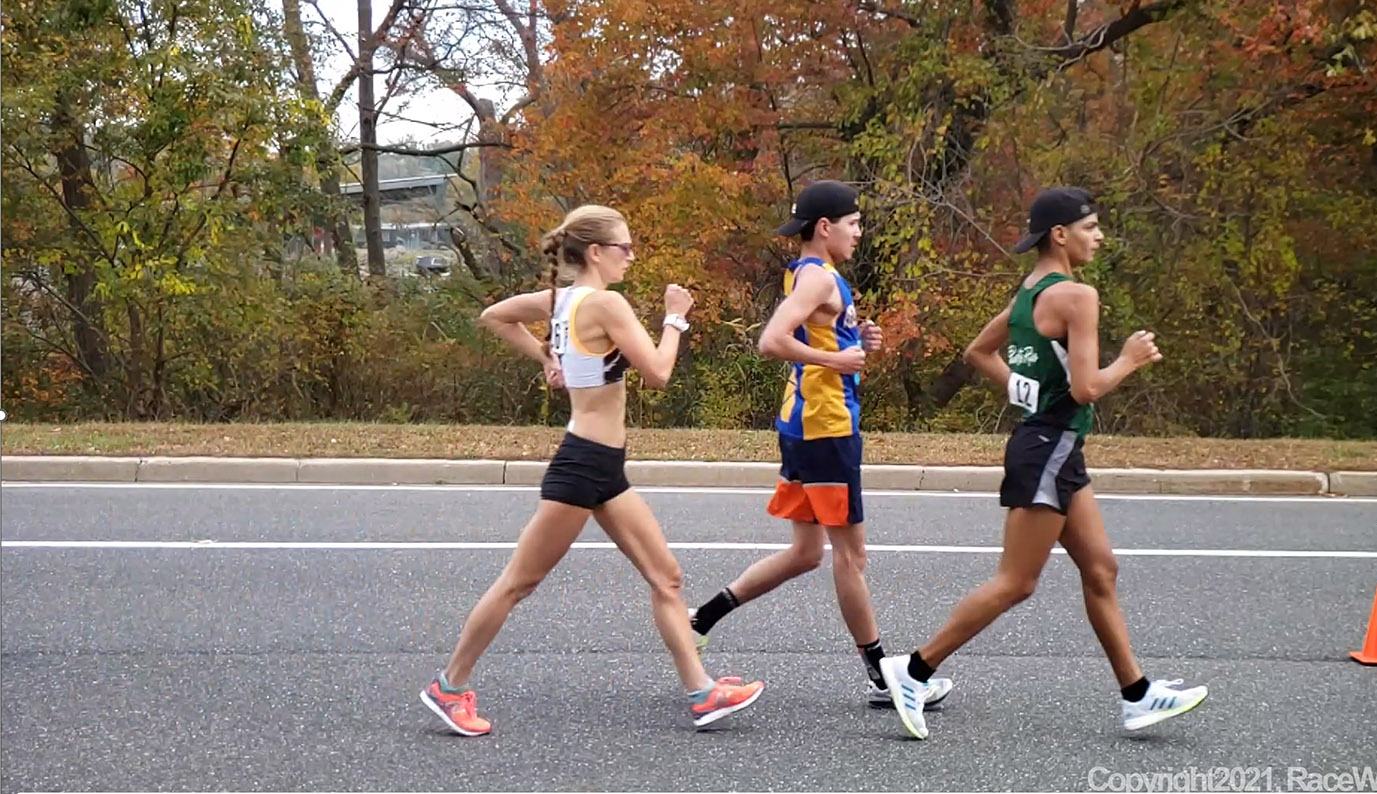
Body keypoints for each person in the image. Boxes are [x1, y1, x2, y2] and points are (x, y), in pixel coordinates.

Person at [420, 204, 766, 735]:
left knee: (666, 577)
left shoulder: (559, 301)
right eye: (625, 247)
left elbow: (496, 315)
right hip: (582, 465)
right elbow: (658, 373)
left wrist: (547, 357)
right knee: (518, 582)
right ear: (598, 252)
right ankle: (450, 685)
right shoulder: (606, 304)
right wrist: (676, 316)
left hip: (605, 467)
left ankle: (702, 693)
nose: (632, 256)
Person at [878, 186, 1208, 740]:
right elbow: (1085, 388)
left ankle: (1137, 694)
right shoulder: (1078, 297)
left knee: (1101, 568)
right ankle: (911, 671)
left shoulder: (1029, 294)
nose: (1099, 236)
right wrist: (1128, 361)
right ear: (1060, 234)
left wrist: (1019, 388)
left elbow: (977, 353)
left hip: (1052, 447)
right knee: (1016, 582)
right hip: (1049, 447)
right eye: (1090, 227)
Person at [687, 180, 953, 708]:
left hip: (803, 424)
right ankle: (885, 677)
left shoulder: (806, 275)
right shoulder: (817, 278)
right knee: (850, 557)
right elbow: (771, 341)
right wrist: (838, 360)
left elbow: (814, 338)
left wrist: (859, 342)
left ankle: (700, 619)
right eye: (853, 223)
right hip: (826, 430)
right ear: (825, 227)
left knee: (806, 553)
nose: (859, 232)